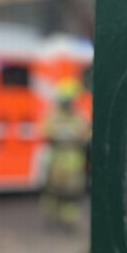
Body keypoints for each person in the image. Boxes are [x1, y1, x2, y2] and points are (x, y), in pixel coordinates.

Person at [42, 78, 91, 229]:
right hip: (56, 162)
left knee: (72, 196)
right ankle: (51, 218)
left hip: (73, 164)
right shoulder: (53, 116)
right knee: (53, 193)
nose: (69, 104)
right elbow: (46, 132)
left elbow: (86, 135)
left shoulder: (80, 117)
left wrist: (66, 134)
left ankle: (69, 222)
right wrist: (69, 135)